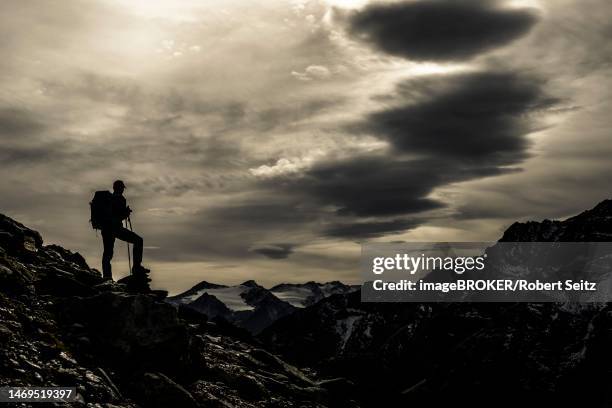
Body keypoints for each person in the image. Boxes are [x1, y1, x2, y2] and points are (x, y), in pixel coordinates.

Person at [101, 180, 149, 280]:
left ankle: (107, 277)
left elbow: (113, 215)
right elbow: (117, 216)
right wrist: (126, 213)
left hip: (106, 230)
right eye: (122, 188)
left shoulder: (108, 199)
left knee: (108, 253)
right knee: (138, 240)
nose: (123, 190)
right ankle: (136, 268)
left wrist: (124, 213)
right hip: (115, 229)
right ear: (120, 188)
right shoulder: (120, 199)